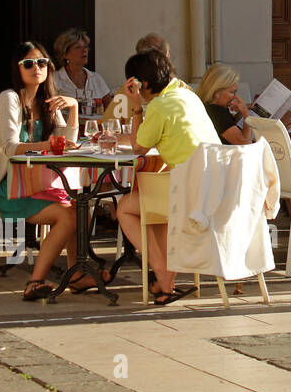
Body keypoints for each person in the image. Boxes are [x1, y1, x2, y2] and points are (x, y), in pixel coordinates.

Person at [0, 42, 85, 300]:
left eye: (41, 62)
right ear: (18, 69)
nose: (36, 68)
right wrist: (47, 144)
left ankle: (77, 275)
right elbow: (11, 148)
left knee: (82, 208)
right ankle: (35, 282)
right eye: (28, 63)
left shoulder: (45, 100)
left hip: (35, 184)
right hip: (6, 187)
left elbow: (65, 141)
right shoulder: (10, 98)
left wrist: (74, 108)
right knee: (69, 217)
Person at [116, 50, 221, 304]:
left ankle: (162, 271)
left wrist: (137, 109)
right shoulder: (187, 95)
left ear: (142, 84)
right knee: (154, 207)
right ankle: (165, 277)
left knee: (125, 208)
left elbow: (139, 148)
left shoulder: (159, 106)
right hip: (216, 186)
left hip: (192, 192)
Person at [196, 63, 253, 145]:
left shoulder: (206, 107)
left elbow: (226, 127)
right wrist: (246, 116)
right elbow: (245, 143)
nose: (234, 97)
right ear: (217, 92)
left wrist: (239, 113)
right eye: (232, 92)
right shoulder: (217, 112)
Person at [52, 29, 109, 103]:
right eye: (78, 47)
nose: (84, 50)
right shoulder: (55, 79)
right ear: (65, 54)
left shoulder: (96, 79)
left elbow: (111, 109)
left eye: (85, 47)